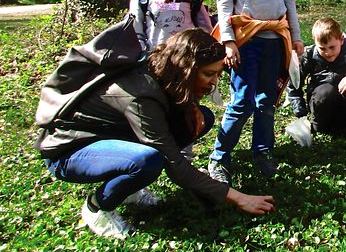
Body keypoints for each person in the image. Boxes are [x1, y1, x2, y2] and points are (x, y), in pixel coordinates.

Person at [35, 29, 275, 238]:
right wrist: (237, 197)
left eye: (217, 74)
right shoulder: (142, 96)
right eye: (208, 74)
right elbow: (174, 163)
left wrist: (190, 106)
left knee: (200, 119)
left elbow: (174, 100)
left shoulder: (161, 69)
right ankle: (97, 208)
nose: (214, 82)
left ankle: (129, 189)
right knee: (148, 160)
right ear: (186, 69)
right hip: (70, 152)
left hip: (110, 136)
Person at [208, 0, 304, 184]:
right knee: (242, 102)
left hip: (274, 38)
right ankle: (219, 158)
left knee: (267, 101)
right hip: (245, 41)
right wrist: (228, 40)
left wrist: (296, 36)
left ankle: (263, 152)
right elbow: (224, 0)